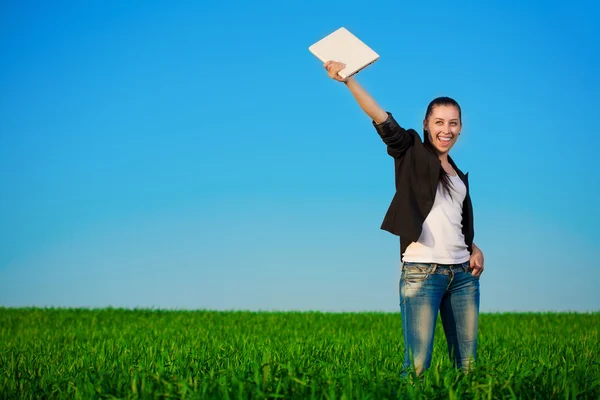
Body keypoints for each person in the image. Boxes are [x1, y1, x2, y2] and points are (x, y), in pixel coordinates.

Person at [323, 61, 485, 375]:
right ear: (426, 124)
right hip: (422, 273)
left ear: (461, 127)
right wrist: (349, 81)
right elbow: (381, 118)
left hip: (464, 277)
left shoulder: (457, 175)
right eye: (439, 122)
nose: (446, 130)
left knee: (467, 367)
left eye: (453, 123)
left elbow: (452, 222)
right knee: (417, 368)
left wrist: (474, 247)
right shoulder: (411, 150)